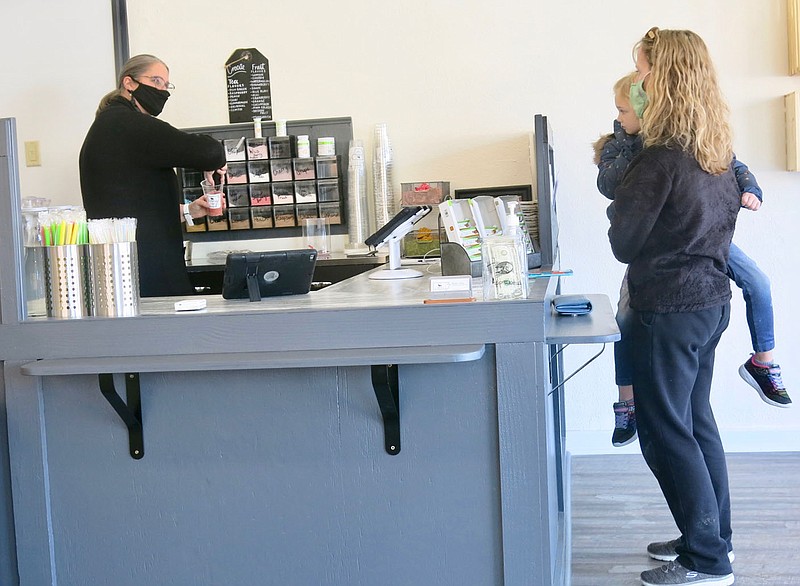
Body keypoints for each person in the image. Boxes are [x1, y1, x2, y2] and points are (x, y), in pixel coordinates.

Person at [594, 71, 792, 448]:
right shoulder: (623, 146)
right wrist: (634, 140)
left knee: (758, 282)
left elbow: (733, 164)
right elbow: (610, 185)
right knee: (623, 319)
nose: (619, 117)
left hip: (703, 242)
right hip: (659, 247)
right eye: (619, 110)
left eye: (625, 109)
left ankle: (763, 361)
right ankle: (627, 400)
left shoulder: (695, 140)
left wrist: (751, 188)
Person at [608, 27, 741, 585]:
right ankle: (712, 542)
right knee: (696, 423)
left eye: (641, 74)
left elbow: (623, 243)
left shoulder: (659, 159)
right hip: (708, 303)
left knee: (668, 432)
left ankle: (706, 563)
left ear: (662, 80)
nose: (636, 83)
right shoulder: (716, 152)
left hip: (667, 308)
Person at [80, 54, 227, 297]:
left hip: (121, 266)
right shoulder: (128, 124)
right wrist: (214, 160)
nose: (162, 91)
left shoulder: (108, 126)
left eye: (166, 85)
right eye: (156, 81)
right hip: (146, 267)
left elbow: (131, 199)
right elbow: (209, 151)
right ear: (129, 83)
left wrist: (188, 210)